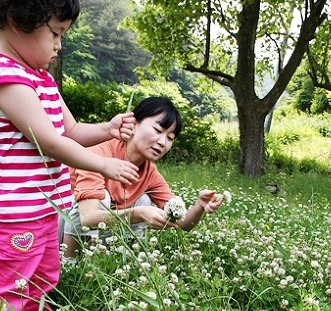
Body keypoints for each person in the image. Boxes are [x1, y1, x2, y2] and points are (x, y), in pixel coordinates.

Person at [0, 0, 140, 311]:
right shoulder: (3, 78)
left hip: (44, 208)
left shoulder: (40, 78)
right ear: (18, 19)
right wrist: (103, 163)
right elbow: (48, 140)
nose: (59, 46)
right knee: (11, 282)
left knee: (44, 273)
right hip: (13, 215)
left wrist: (108, 129)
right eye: (55, 33)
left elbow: (73, 131)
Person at [61, 96, 224, 257]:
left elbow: (183, 223)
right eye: (158, 130)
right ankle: (70, 265)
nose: (162, 142)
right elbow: (87, 217)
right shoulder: (99, 153)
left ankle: (118, 261)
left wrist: (200, 206)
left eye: (170, 138)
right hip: (60, 229)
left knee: (143, 200)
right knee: (104, 198)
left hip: (99, 238)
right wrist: (139, 214)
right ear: (133, 124)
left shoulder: (149, 173)